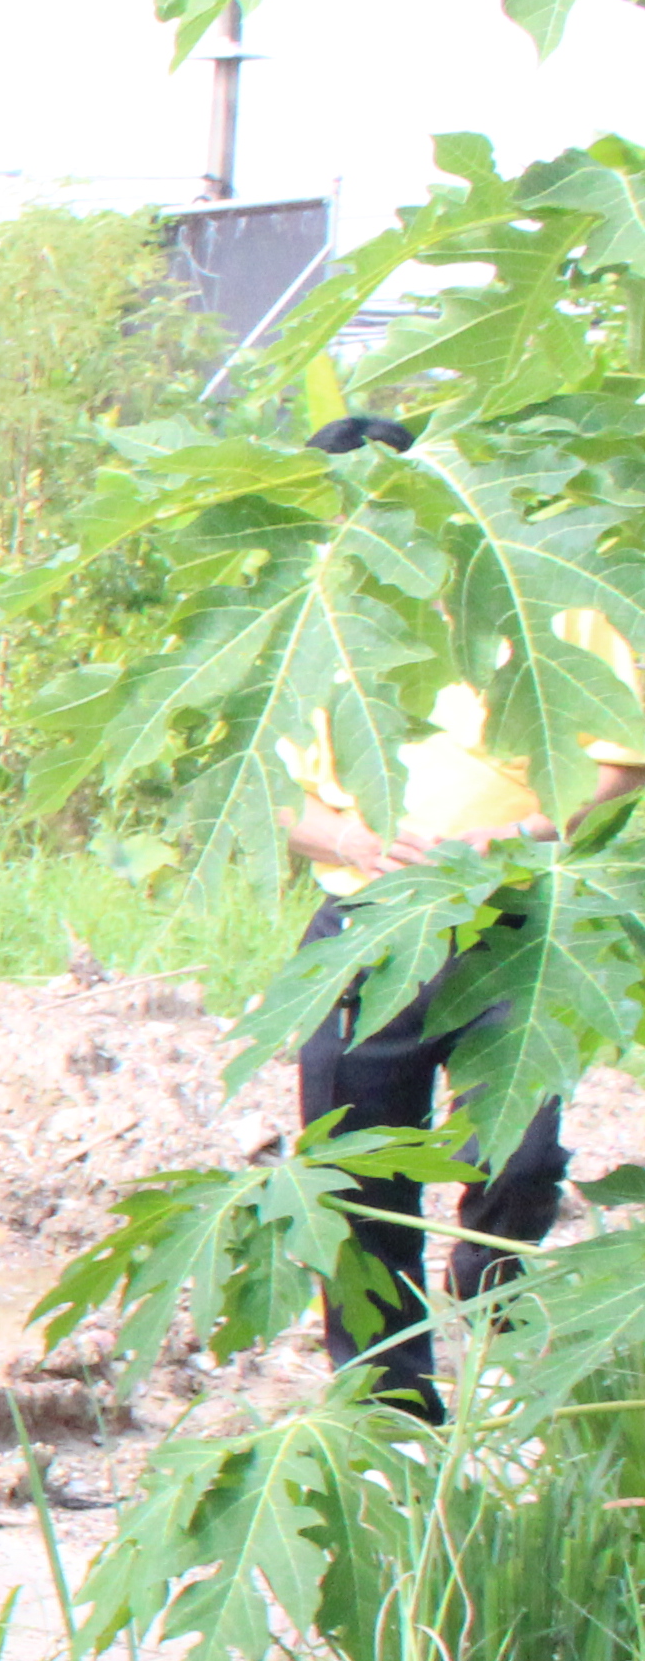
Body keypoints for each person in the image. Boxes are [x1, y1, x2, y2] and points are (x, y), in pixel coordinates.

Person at [276, 411, 645, 1415]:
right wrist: (353, 843)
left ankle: (491, 1293)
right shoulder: (315, 625)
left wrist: (520, 836)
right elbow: (273, 795)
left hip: (515, 926)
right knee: (358, 1180)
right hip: (370, 926)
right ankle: (390, 1412)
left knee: (520, 1156)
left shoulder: (534, 598)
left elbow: (621, 757)